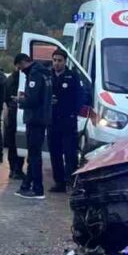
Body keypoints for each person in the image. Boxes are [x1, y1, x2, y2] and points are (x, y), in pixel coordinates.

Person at [48, 48, 89, 193]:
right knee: (55, 153)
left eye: (59, 61)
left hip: (68, 121)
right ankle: (59, 182)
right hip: (52, 121)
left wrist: (73, 113)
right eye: (54, 60)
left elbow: (81, 96)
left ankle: (70, 181)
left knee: (70, 153)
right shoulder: (48, 76)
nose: (56, 63)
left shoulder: (72, 76)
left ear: (65, 62)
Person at [16, 53, 51, 199]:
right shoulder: (44, 73)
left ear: (23, 62)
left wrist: (20, 100)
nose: (20, 70)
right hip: (41, 118)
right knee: (33, 154)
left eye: (20, 67)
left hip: (35, 119)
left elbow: (33, 100)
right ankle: (26, 185)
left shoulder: (35, 75)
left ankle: (37, 189)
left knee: (34, 155)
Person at [2, 59, 24, 180]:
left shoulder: (9, 78)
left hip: (11, 112)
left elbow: (5, 99)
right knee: (18, 143)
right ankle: (17, 169)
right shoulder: (22, 79)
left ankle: (12, 169)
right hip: (17, 112)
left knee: (12, 143)